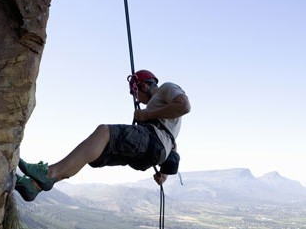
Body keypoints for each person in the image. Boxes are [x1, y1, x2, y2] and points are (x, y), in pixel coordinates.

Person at [15, 69, 191, 201]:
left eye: (136, 94)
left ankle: (49, 173)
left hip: (153, 140)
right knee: (94, 153)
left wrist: (146, 115)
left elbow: (184, 106)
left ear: (143, 86)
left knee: (104, 131)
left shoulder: (166, 89)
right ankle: (34, 187)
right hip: (154, 152)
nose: (137, 100)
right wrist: (164, 175)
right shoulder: (165, 119)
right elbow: (172, 146)